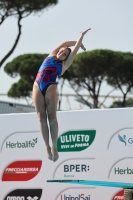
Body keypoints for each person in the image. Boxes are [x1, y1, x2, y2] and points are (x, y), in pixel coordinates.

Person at [32, 28, 91, 162]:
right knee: (41, 117)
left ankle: (55, 146)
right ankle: (47, 146)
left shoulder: (64, 64)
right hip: (36, 85)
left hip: (50, 87)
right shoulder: (51, 54)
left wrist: (81, 38)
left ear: (66, 57)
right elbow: (65, 42)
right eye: (62, 51)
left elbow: (74, 51)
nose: (62, 53)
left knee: (52, 117)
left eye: (65, 53)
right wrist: (78, 42)